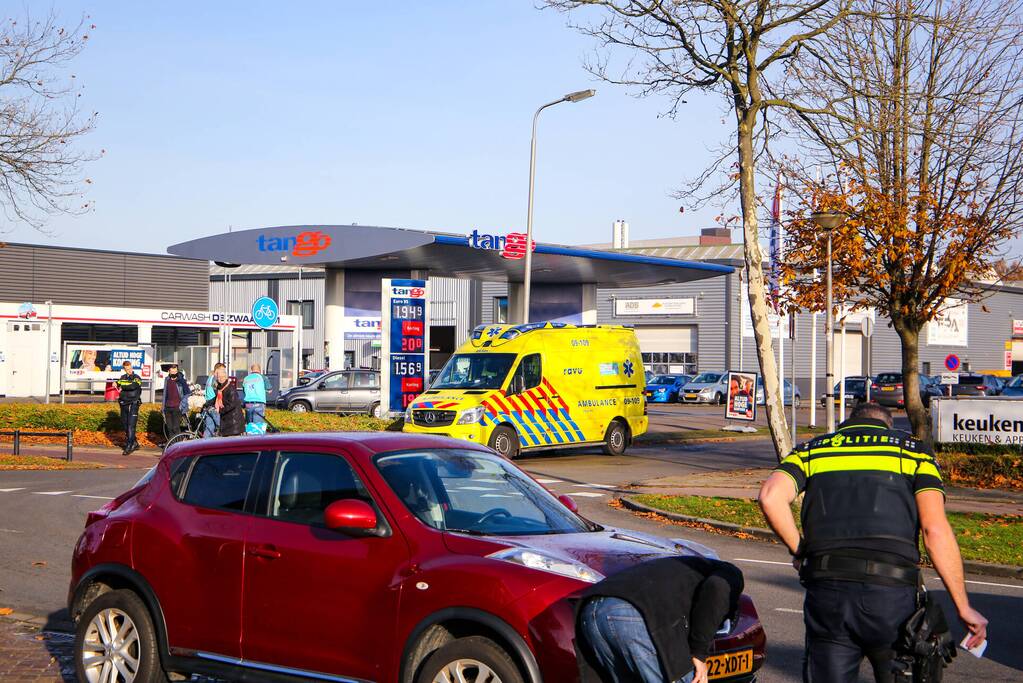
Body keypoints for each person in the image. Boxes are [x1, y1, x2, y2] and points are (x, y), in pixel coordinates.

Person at [758, 403, 987, 682]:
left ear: (850, 423)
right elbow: (934, 531)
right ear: (887, 426)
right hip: (891, 598)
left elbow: (770, 497)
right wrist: (963, 606)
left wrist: (801, 550)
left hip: (828, 594)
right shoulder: (913, 452)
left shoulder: (812, 450)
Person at [576, 556, 744, 683]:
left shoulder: (681, 568)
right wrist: (699, 653)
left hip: (590, 612)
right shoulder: (730, 573)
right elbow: (717, 588)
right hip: (630, 615)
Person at [116, 361, 143, 455]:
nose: (129, 371)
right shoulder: (122, 378)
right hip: (123, 403)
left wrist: (122, 385)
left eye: (130, 368)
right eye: (126, 369)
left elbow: (133, 386)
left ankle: (130, 445)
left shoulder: (137, 378)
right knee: (125, 425)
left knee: (131, 425)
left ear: (132, 367)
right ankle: (134, 442)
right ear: (124, 369)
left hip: (133, 403)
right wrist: (115, 384)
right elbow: (117, 383)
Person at [213, 367, 245, 437]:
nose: (220, 378)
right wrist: (206, 404)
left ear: (226, 377)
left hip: (234, 424)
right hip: (227, 422)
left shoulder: (230, 388)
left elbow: (232, 404)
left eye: (222, 377)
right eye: (218, 377)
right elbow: (216, 399)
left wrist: (220, 410)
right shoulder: (220, 388)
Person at [161, 364, 190, 440]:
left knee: (176, 428)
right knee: (170, 428)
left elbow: (187, 393)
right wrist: (163, 407)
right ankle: (172, 446)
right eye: (172, 371)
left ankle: (179, 446)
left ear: (177, 371)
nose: (174, 372)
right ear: (169, 371)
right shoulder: (167, 380)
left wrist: (182, 405)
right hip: (167, 407)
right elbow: (165, 394)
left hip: (177, 407)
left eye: (175, 371)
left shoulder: (181, 380)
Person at [242, 363, 268, 433]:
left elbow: (244, 391)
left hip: (248, 404)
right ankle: (257, 442)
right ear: (259, 370)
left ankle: (249, 441)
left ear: (251, 370)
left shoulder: (246, 378)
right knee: (258, 427)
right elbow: (270, 390)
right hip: (259, 403)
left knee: (249, 425)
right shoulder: (262, 377)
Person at [202, 362, 226, 437]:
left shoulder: (209, 378)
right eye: (222, 370)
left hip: (208, 407)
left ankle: (204, 446)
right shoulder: (215, 379)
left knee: (209, 429)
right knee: (223, 428)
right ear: (217, 370)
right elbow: (218, 393)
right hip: (214, 407)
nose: (223, 373)